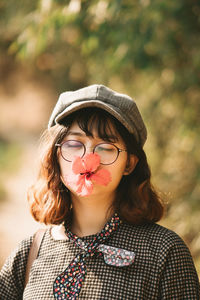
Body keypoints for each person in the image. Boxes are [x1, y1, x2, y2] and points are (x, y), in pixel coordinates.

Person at [0, 84, 199, 299]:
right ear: (55, 156)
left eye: (105, 147)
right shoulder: (31, 252)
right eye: (74, 143)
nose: (88, 159)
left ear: (129, 164)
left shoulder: (164, 252)